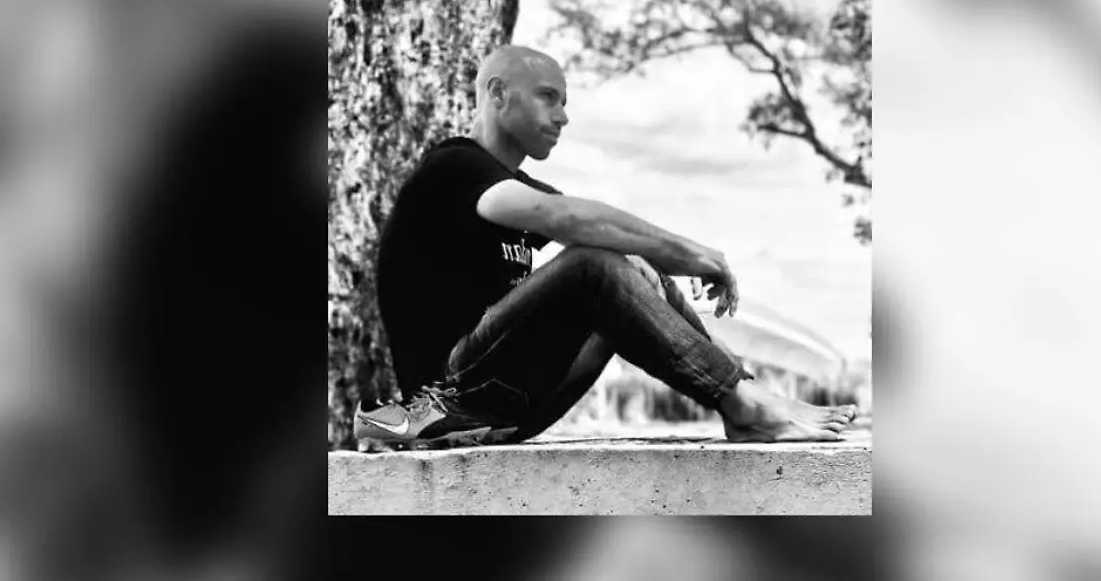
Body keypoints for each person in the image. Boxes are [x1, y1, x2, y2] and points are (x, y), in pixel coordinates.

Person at [355, 45, 855, 449]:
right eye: (548, 97)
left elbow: (597, 230)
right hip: (448, 396)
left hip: (510, 406)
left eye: (564, 101)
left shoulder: (514, 187)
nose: (563, 117)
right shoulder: (452, 168)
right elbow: (569, 220)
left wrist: (657, 263)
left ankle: (745, 396)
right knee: (593, 265)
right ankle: (744, 402)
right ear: (498, 93)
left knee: (634, 268)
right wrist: (692, 254)